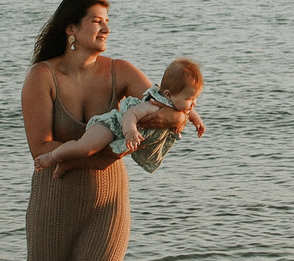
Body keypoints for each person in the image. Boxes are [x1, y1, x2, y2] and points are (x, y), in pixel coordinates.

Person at [19, 0, 193, 261]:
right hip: (53, 205)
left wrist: (138, 124)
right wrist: (108, 149)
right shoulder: (41, 77)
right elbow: (39, 147)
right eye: (95, 20)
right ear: (71, 29)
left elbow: (174, 112)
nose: (105, 28)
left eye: (106, 21)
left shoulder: (121, 72)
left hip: (107, 207)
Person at [33, 57, 206, 175]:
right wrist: (130, 132)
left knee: (102, 163)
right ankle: (52, 157)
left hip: (119, 137)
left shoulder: (177, 104)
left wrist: (195, 120)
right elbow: (130, 114)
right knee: (85, 147)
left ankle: (68, 164)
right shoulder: (153, 104)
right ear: (168, 94)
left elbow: (188, 111)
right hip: (110, 126)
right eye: (190, 99)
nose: (193, 104)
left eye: (195, 98)